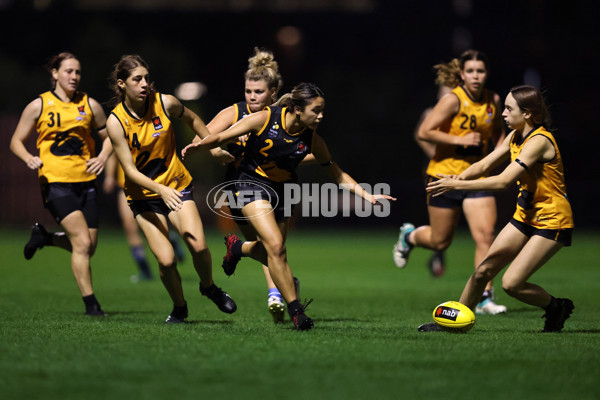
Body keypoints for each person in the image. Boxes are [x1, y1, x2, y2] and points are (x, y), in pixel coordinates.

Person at [182, 82, 396, 330]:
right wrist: (200, 146)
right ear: (296, 109)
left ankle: (238, 248)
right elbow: (220, 136)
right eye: (316, 110)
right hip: (249, 185)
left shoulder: (312, 138)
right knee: (275, 246)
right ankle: (297, 312)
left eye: (322, 110)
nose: (321, 115)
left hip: (283, 191)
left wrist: (366, 194)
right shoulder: (264, 119)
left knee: (275, 252)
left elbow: (337, 174)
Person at [419, 85, 574, 332]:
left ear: (527, 114)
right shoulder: (514, 136)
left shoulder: (539, 141)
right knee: (483, 271)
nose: (502, 113)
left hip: (552, 219)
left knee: (511, 284)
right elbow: (484, 164)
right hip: (525, 215)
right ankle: (455, 324)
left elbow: (503, 181)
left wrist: (457, 185)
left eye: (509, 108)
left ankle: (556, 307)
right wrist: (456, 180)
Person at [105, 54, 236, 323]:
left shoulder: (165, 102)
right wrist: (159, 190)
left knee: (198, 247)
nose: (144, 84)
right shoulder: (115, 122)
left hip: (176, 184)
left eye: (146, 78)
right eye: (136, 79)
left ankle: (209, 287)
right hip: (144, 197)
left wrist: (212, 148)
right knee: (165, 261)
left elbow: (193, 119)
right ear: (121, 84)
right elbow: (129, 171)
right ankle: (180, 308)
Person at [393, 49, 507, 315]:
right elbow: (424, 131)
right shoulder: (453, 100)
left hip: (476, 177)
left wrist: (498, 156)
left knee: (486, 236)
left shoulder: (494, 100)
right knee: (440, 241)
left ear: (486, 73)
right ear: (462, 74)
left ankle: (484, 297)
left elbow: (499, 132)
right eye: (471, 71)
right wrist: (460, 140)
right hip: (444, 176)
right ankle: (409, 236)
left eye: (481, 71)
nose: (476, 76)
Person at [193, 48, 301, 323]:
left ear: (274, 92)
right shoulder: (236, 112)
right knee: (269, 244)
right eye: (248, 91)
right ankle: (279, 292)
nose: (252, 96)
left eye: (259, 92)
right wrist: (215, 151)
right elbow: (205, 134)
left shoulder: (285, 116)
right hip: (243, 186)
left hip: (281, 185)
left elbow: (308, 147)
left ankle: (274, 285)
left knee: (275, 248)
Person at [9, 51, 112, 316]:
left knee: (90, 246)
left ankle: (45, 238)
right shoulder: (39, 105)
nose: (74, 77)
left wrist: (102, 156)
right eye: (69, 71)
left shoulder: (90, 105)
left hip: (86, 181)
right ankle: (92, 305)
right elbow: (15, 142)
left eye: (78, 72)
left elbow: (111, 135)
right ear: (54, 74)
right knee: (81, 243)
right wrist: (28, 158)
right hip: (55, 182)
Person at [103, 153, 186, 282]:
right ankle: (145, 270)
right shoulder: (118, 133)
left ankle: (171, 239)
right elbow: (113, 153)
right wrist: (109, 176)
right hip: (125, 185)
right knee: (130, 227)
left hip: (151, 182)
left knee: (154, 224)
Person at [412, 83, 453, 277]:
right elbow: (419, 135)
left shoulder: (458, 114)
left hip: (455, 169)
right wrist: (434, 155)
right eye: (445, 91)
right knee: (437, 211)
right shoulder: (430, 112)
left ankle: (438, 252)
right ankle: (438, 254)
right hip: (434, 168)